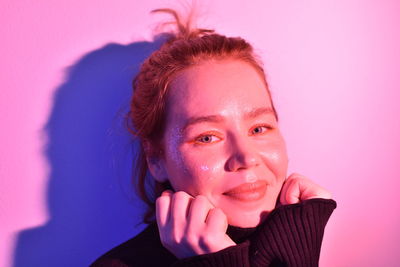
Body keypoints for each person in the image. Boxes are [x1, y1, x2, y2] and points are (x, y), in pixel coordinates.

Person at [91, 8, 337, 267]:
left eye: (259, 128)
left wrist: (301, 233)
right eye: (207, 137)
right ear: (155, 158)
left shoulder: (301, 234)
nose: (247, 157)